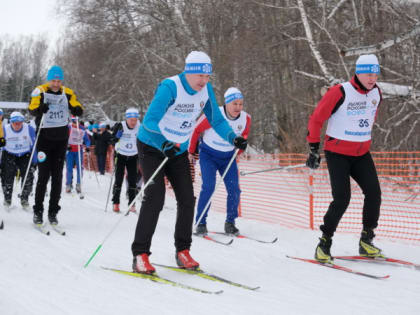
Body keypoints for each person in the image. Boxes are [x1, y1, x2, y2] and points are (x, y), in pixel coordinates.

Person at [131, 51, 248, 274]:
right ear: (188, 72)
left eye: (207, 77)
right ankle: (140, 254)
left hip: (177, 150)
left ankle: (182, 250)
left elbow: (216, 119)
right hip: (152, 146)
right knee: (155, 198)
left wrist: (233, 138)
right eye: (200, 77)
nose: (204, 82)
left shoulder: (206, 91)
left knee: (187, 198)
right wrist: (162, 142)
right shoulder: (170, 87)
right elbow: (149, 121)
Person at [306, 54, 383, 264]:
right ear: (357, 72)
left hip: (361, 154)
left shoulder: (376, 92)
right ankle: (324, 243)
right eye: (368, 74)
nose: (372, 78)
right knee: (342, 199)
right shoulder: (340, 91)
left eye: (375, 74)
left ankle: (366, 240)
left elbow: (369, 118)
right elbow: (316, 119)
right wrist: (313, 148)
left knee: (374, 193)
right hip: (338, 153)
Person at [189, 87, 251, 236]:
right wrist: (191, 151)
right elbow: (195, 130)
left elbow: (243, 137)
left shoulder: (246, 118)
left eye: (241, 104)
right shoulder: (214, 114)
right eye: (234, 104)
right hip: (208, 155)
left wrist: (240, 149)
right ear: (227, 103)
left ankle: (230, 223)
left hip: (228, 158)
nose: (238, 107)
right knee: (208, 187)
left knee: (234, 189)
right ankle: (201, 223)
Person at [29, 65, 83, 226]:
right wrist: (40, 109)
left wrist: (77, 109)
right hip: (44, 138)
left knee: (57, 177)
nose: (56, 83)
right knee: (44, 176)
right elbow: (32, 108)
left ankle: (53, 212)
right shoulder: (40, 91)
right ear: (48, 79)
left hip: (60, 139)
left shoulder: (67, 92)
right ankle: (38, 212)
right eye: (53, 80)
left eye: (59, 80)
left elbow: (77, 105)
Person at [1, 112, 37, 210]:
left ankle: (24, 199)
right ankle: (7, 199)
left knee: (28, 177)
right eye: (15, 123)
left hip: (25, 154)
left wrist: (34, 161)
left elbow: (34, 146)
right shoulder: (5, 129)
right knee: (7, 176)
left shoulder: (29, 129)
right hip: (9, 154)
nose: (17, 125)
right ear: (11, 122)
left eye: (19, 123)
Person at [110, 108, 140, 213]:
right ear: (126, 119)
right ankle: (116, 203)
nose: (133, 122)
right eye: (131, 120)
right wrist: (117, 136)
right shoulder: (120, 125)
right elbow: (112, 140)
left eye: (135, 120)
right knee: (118, 180)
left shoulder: (139, 127)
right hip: (120, 155)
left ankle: (132, 204)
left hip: (133, 156)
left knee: (133, 181)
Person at [65, 117, 91, 193]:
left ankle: (78, 184)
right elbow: (64, 138)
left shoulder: (82, 128)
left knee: (80, 168)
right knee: (69, 168)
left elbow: (87, 139)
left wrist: (87, 146)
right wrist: (67, 145)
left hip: (78, 150)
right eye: (73, 121)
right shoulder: (68, 128)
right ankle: (68, 184)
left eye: (76, 121)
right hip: (70, 151)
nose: (75, 123)